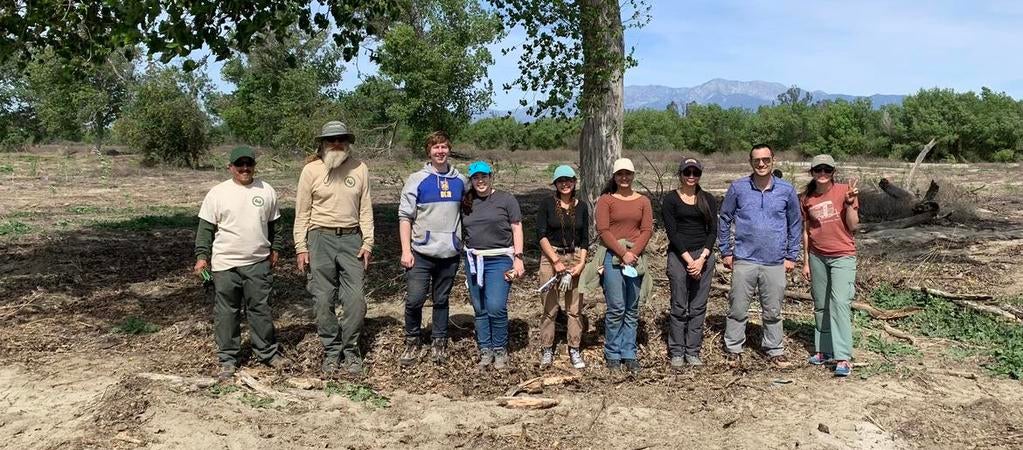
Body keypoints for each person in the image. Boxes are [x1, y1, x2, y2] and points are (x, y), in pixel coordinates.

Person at [194, 146, 290, 380]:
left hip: (257, 262)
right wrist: (201, 257)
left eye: (249, 164)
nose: (245, 169)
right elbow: (205, 229)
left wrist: (275, 249)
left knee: (260, 309)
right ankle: (228, 358)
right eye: (240, 165)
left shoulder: (266, 190)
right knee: (227, 312)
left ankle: (267, 352)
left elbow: (276, 225)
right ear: (231, 167)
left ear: (254, 166)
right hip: (225, 263)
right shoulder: (217, 193)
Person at [294, 121, 374, 375]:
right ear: (323, 144)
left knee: (355, 300)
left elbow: (366, 210)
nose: (337, 144)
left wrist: (368, 242)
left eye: (341, 139)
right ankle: (331, 350)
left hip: (351, 239)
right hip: (319, 238)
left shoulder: (360, 168)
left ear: (348, 142)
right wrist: (301, 247)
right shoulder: (311, 171)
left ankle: (351, 350)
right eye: (331, 140)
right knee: (323, 298)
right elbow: (301, 213)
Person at [718, 144, 802, 368]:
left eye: (766, 159)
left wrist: (792, 255)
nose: (761, 164)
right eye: (757, 160)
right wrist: (726, 250)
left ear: (773, 160)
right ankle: (733, 348)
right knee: (737, 308)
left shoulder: (786, 190)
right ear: (750, 162)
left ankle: (774, 349)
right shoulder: (738, 188)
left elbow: (795, 224)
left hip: (775, 261)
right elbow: (724, 219)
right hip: (744, 258)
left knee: (773, 310)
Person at [397, 131, 467, 367]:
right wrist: (406, 250)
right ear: (429, 151)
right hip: (420, 253)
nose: (440, 151)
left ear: (449, 150)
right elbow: (405, 217)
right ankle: (412, 340)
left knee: (441, 299)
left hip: (449, 253)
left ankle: (439, 341)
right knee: (415, 300)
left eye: (444, 147)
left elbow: (469, 212)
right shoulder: (417, 179)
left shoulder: (461, 181)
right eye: (435, 147)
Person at [461, 161, 525, 370]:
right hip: (474, 260)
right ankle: (485, 350)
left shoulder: (506, 199)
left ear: (491, 177)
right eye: (476, 178)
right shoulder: (466, 202)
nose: (480, 181)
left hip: (499, 259)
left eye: (484, 176)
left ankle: (500, 349)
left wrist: (519, 258)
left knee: (496, 306)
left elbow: (516, 228)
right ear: (471, 180)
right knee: (480, 308)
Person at [800, 154, 860, 377]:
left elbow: (853, 226)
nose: (822, 174)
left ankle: (843, 356)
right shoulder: (807, 198)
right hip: (817, 256)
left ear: (833, 171)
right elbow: (806, 232)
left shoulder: (845, 190)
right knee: (821, 303)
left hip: (842, 255)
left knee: (840, 302)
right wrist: (805, 261)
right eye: (818, 170)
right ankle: (824, 349)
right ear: (812, 172)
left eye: (827, 169)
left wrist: (850, 203)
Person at [595, 158, 653, 373]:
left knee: (632, 307)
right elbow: (603, 230)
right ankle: (612, 353)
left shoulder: (643, 201)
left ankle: (629, 353)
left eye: (628, 173)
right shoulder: (606, 200)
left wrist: (633, 253)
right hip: (613, 258)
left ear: (633, 175)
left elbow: (647, 230)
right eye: (620, 174)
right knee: (616, 307)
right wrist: (622, 253)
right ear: (614, 176)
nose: (624, 178)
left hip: (635, 260)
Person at [661, 157, 717, 369]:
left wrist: (702, 259)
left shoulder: (708, 199)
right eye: (687, 172)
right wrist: (689, 260)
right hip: (679, 256)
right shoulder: (671, 200)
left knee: (698, 306)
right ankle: (677, 351)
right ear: (681, 174)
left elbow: (713, 231)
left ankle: (693, 351)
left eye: (695, 172)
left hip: (703, 255)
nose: (691, 176)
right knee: (679, 305)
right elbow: (672, 233)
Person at [536, 165, 590, 369]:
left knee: (575, 309)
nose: (565, 184)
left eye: (569, 180)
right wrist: (555, 261)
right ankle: (547, 348)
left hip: (575, 256)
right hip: (551, 257)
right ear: (555, 184)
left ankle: (574, 348)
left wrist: (582, 262)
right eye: (560, 181)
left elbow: (585, 238)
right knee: (550, 307)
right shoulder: (547, 204)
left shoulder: (582, 206)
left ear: (575, 182)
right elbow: (541, 235)